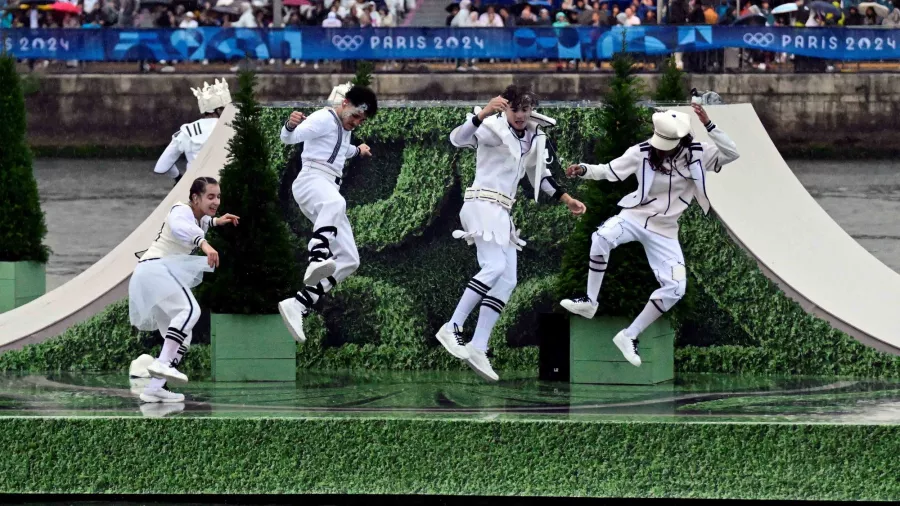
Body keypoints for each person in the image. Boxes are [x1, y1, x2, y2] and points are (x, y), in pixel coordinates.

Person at [560, 104, 739, 367]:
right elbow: (610, 171)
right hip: (635, 216)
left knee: (676, 289)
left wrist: (709, 124)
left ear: (680, 141)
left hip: (665, 230)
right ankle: (589, 301)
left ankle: (629, 335)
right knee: (601, 237)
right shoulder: (641, 151)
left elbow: (732, 153)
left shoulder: (698, 154)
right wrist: (585, 169)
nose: (659, 147)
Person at [438, 85, 587, 382]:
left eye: (526, 109)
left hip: (502, 213)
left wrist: (566, 199)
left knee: (507, 279)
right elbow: (458, 138)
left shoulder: (532, 139)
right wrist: (482, 113)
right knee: (493, 267)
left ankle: (479, 345)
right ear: (505, 108)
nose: (520, 115)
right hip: (481, 203)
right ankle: (452, 326)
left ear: (532, 109)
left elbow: (540, 176)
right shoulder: (492, 128)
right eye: (515, 108)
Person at [277, 86, 378, 343]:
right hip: (311, 181)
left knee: (350, 259)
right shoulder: (323, 118)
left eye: (361, 121)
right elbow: (288, 139)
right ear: (344, 103)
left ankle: (299, 303)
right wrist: (289, 125)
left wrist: (359, 151)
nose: (356, 123)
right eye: (355, 116)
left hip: (327, 188)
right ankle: (317, 256)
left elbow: (340, 149)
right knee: (336, 203)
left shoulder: (344, 129)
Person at [129, 177, 240, 403]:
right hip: (155, 269)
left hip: (152, 274)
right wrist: (205, 245)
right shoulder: (180, 210)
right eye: (210, 196)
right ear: (194, 198)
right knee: (190, 311)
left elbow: (202, 223)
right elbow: (182, 228)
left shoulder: (199, 218)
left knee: (184, 335)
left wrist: (218, 221)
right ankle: (160, 364)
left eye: (218, 196)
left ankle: (154, 388)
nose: (216, 201)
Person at [153, 79, 232, 186]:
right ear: (218, 110)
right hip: (229, 187)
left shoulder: (187, 132)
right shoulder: (233, 128)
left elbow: (162, 166)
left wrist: (178, 178)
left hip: (196, 188)